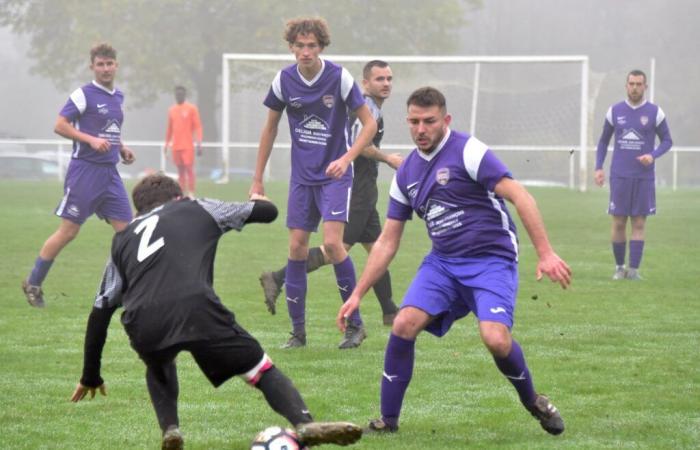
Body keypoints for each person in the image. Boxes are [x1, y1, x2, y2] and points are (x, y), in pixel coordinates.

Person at [337, 87, 572, 436]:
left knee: (495, 339)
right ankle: (388, 421)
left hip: (491, 260)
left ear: (445, 120)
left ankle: (532, 400)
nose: (421, 129)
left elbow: (519, 195)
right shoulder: (406, 174)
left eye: (429, 121)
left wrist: (546, 252)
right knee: (403, 324)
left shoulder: (469, 151)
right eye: (414, 121)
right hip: (443, 264)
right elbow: (387, 241)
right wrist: (357, 293)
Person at [70, 174, 362, 450]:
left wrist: (90, 375)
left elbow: (101, 310)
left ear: (139, 209)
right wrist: (259, 199)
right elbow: (267, 213)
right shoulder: (196, 206)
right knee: (260, 369)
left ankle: (170, 429)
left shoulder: (123, 238)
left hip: (142, 320)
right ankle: (304, 423)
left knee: (158, 364)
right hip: (196, 306)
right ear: (178, 197)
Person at [249, 17, 377, 349]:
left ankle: (355, 325)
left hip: (335, 176)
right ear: (291, 47)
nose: (305, 51)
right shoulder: (283, 81)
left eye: (312, 45)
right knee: (296, 248)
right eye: (299, 45)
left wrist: (346, 158)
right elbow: (270, 129)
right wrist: (257, 179)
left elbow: (369, 125)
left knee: (334, 246)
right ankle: (298, 333)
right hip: (302, 179)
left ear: (321, 47)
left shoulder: (339, 77)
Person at [259, 60, 402, 327]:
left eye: (389, 79)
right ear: (365, 83)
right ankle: (279, 278)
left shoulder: (370, 106)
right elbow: (365, 146)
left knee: (378, 250)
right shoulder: (367, 107)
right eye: (379, 79)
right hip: (353, 186)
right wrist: (388, 158)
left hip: (365, 188)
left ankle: (390, 310)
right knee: (336, 248)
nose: (386, 84)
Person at [22, 43, 135, 308]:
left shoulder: (118, 97)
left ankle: (125, 291)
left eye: (109, 64)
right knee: (69, 232)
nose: (105, 69)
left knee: (127, 234)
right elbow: (59, 125)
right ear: (92, 67)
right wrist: (90, 140)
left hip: (110, 174)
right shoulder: (83, 95)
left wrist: (122, 147)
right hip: (85, 172)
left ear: (116, 65)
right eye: (100, 64)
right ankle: (33, 283)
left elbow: (110, 130)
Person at [594, 69, 673, 280]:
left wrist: (653, 155)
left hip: (643, 177)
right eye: (631, 84)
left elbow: (667, 141)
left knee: (639, 223)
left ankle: (634, 271)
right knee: (618, 222)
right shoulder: (614, 111)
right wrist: (598, 167)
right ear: (626, 85)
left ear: (645, 87)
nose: (635, 88)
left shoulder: (656, 113)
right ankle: (620, 268)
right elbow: (603, 141)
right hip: (620, 176)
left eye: (639, 84)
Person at [164, 85, 203, 197]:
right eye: (177, 94)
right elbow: (169, 129)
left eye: (181, 94)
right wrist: (166, 145)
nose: (178, 96)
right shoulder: (172, 110)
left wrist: (199, 142)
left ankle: (191, 193)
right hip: (176, 146)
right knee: (180, 171)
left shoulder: (191, 109)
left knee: (189, 169)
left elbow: (197, 126)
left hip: (187, 146)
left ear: (185, 95)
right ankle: (181, 194)